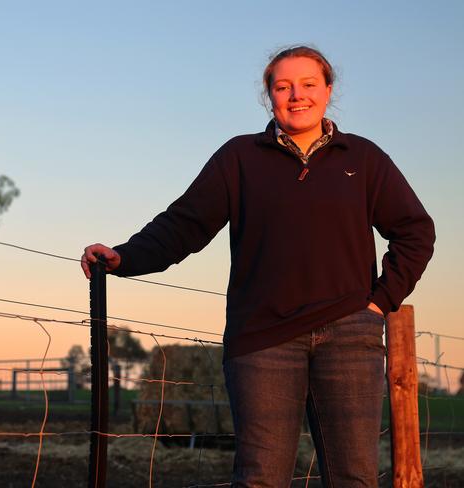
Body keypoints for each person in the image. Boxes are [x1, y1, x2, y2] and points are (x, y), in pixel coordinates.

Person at [81, 46, 435, 487]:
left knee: (355, 478)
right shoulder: (239, 158)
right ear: (269, 95)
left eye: (308, 84)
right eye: (283, 86)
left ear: (328, 90)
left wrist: (380, 302)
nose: (296, 95)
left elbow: (416, 231)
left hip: (349, 335)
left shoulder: (362, 159)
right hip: (262, 340)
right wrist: (126, 256)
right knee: (260, 479)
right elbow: (184, 225)